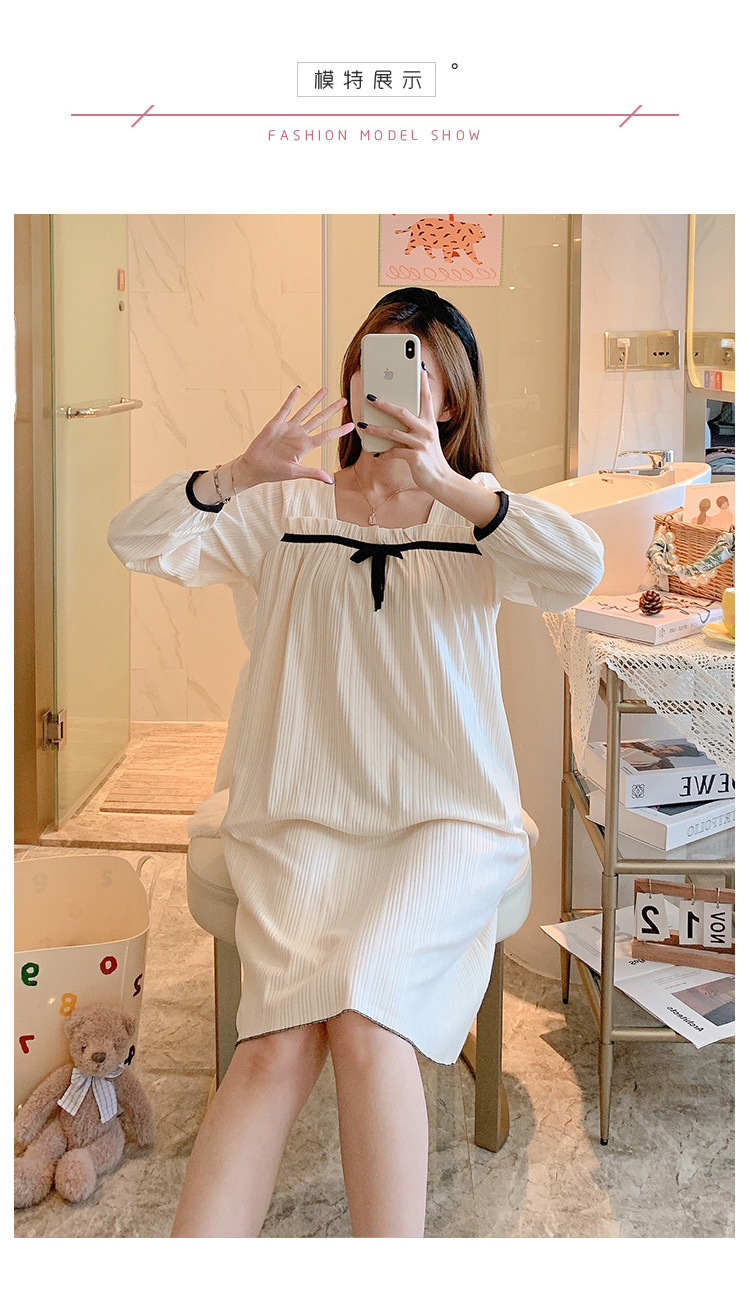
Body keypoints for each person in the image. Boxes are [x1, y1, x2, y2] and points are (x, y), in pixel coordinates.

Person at [107, 286, 605, 1238]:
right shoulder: (283, 509)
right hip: (300, 821)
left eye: (417, 369)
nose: (391, 385)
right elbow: (135, 541)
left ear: (450, 399)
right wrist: (233, 476)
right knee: (275, 1045)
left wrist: (452, 485)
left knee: (370, 1020)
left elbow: (578, 569)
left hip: (446, 821)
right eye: (375, 361)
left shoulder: (477, 521)